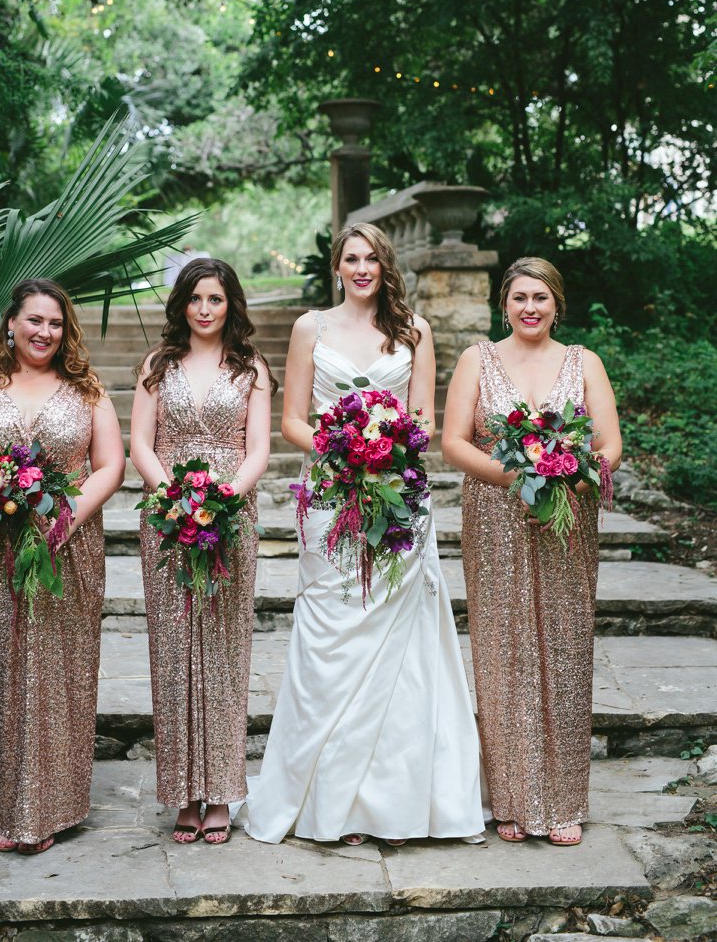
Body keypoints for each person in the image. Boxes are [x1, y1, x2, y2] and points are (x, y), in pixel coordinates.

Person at [246, 223, 485, 846]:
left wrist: (387, 450)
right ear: (337, 266)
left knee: (399, 643)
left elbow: (424, 419)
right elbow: (292, 421)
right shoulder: (311, 329)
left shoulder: (414, 332)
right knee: (333, 632)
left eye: (371, 258)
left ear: (385, 266)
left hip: (399, 495)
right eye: (351, 258)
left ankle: (391, 803)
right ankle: (328, 800)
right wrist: (345, 449)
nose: (361, 268)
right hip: (329, 495)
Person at [0, 278, 125, 854]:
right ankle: (12, 808)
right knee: (1, 671)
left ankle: (52, 809)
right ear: (10, 324)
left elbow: (111, 464)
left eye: (56, 324)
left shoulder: (85, 390)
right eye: (34, 321)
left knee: (61, 673)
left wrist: (67, 517)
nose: (45, 332)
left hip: (68, 547)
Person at [441, 256, 621, 847]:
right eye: (520, 297)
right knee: (504, 648)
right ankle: (513, 799)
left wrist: (566, 470)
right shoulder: (477, 359)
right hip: (495, 515)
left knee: (565, 650)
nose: (530, 308)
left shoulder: (583, 362)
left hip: (566, 515)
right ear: (504, 303)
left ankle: (564, 798)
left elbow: (609, 442)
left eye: (540, 298)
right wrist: (515, 476)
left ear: (557, 304)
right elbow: (453, 442)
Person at [130, 258, 273, 845]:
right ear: (182, 305)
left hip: (230, 517)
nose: (206, 309)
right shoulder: (157, 365)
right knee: (172, 651)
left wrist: (223, 499)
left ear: (230, 304)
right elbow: (140, 439)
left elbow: (258, 447)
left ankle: (220, 793)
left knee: (222, 653)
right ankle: (183, 796)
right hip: (166, 519)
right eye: (195, 299)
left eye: (215, 299)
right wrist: (172, 498)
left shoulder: (252, 367)